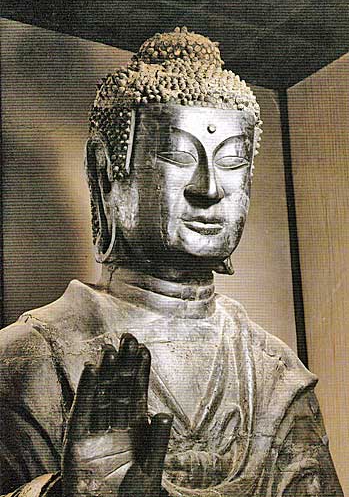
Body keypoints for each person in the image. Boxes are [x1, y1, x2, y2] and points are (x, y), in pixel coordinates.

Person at [0, 27, 343, 496]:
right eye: (178, 155)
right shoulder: (31, 358)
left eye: (231, 160)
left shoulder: (275, 373)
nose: (209, 189)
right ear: (107, 174)